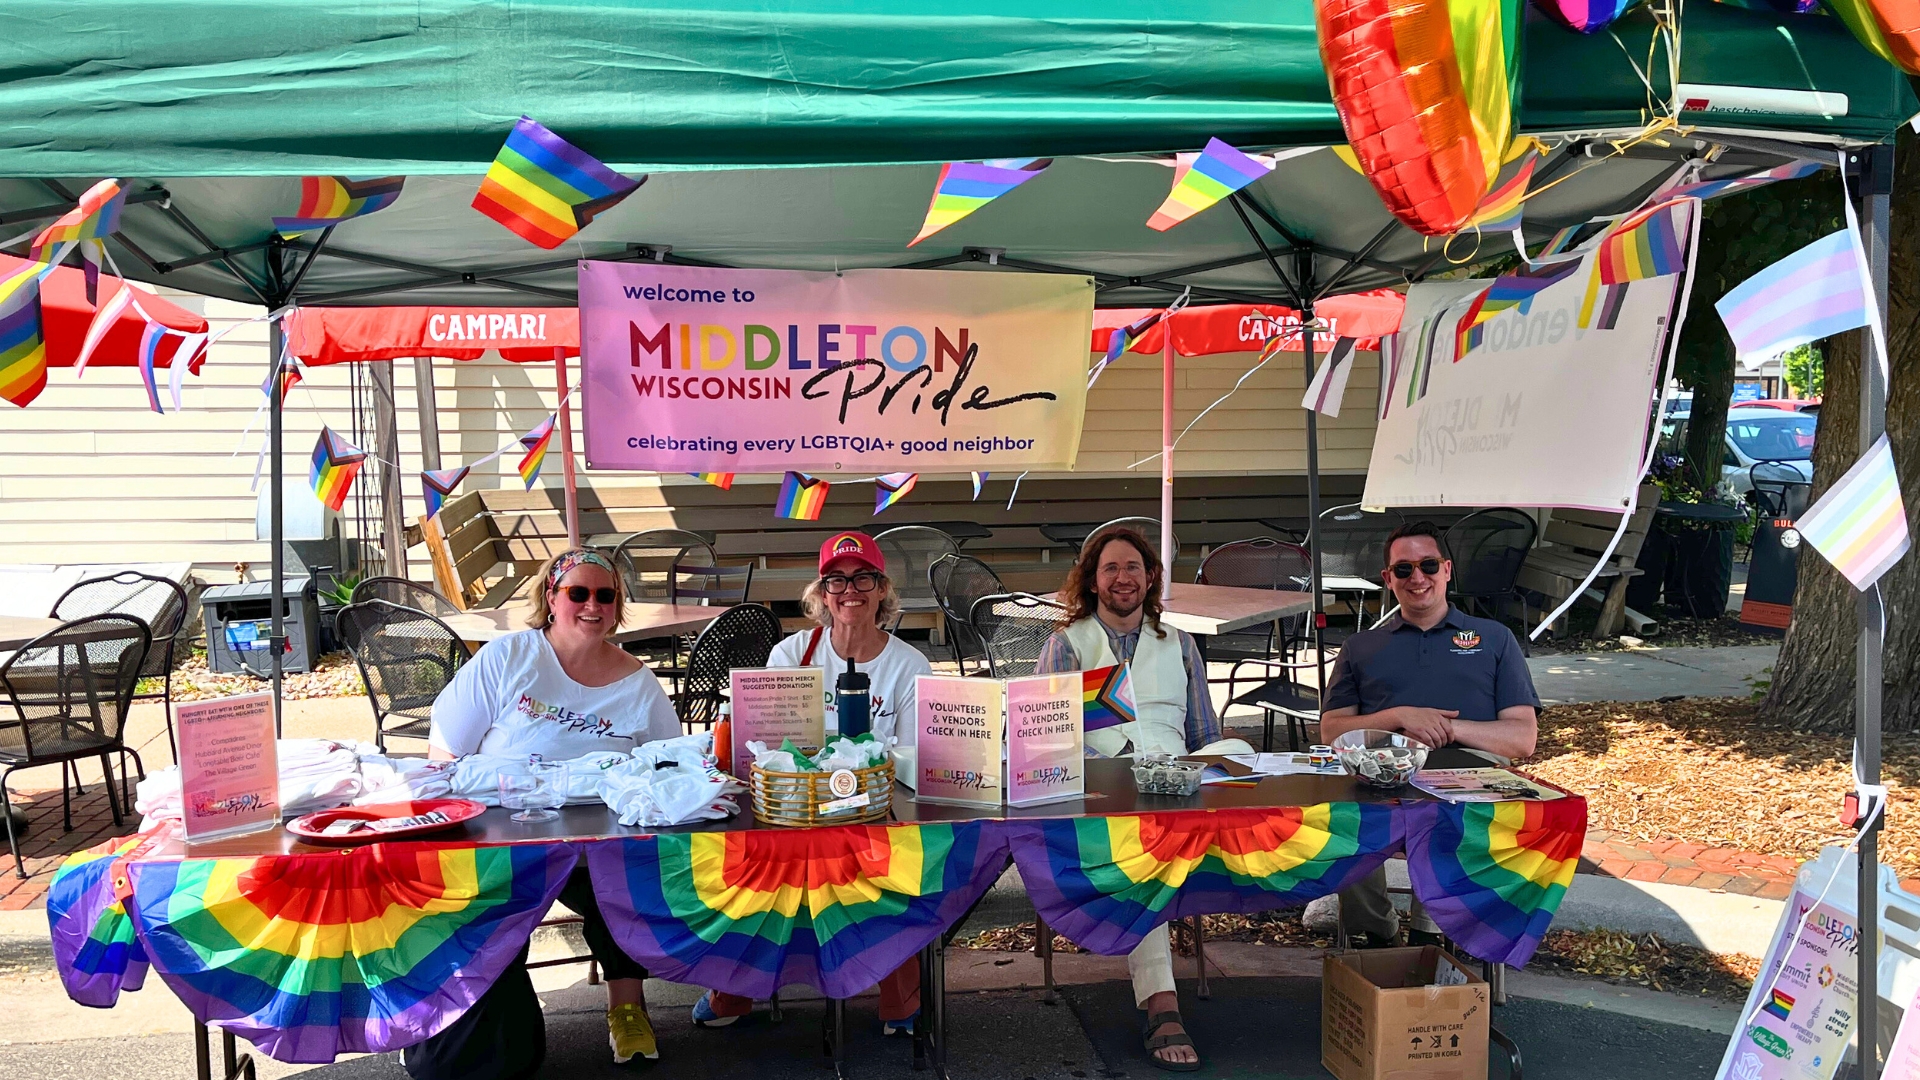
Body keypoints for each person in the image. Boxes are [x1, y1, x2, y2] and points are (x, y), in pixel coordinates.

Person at [409, 549, 681, 1078]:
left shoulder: (639, 683)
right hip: (503, 831)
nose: (591, 605)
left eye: (605, 595)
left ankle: (627, 1007)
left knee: (628, 874)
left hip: (598, 833)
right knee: (490, 912)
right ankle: (478, 1006)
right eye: (577, 593)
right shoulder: (507, 657)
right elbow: (443, 757)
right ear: (551, 598)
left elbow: (666, 765)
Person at [691, 530, 934, 1032]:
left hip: (873, 809)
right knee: (755, 858)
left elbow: (910, 759)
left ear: (882, 589)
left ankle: (901, 995)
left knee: (894, 857)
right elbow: (771, 746)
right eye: (836, 580)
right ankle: (735, 989)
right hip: (795, 811)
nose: (851, 590)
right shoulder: (791, 654)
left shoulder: (909, 664)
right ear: (821, 593)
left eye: (863, 577)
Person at [1034, 525, 1252, 1072]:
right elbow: (1040, 741)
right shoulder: (1067, 645)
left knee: (1248, 766)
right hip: (1102, 796)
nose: (1123, 577)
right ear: (1092, 580)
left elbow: (1204, 736)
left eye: (1133, 566)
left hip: (1179, 786)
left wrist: (1217, 763)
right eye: (1110, 568)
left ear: (1150, 576)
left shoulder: (1178, 643)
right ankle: (1162, 1003)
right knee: (1145, 844)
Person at [1323, 521, 1541, 947]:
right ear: (1388, 579)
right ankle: (1376, 934)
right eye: (1403, 570)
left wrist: (1448, 729)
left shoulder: (1494, 638)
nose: (1416, 578)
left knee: (1445, 818)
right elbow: (1332, 732)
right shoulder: (1361, 647)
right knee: (1345, 819)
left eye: (1426, 566)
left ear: (1446, 569)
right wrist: (1402, 715)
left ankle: (1434, 935)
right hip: (1384, 776)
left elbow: (1522, 739)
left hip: (1470, 780)